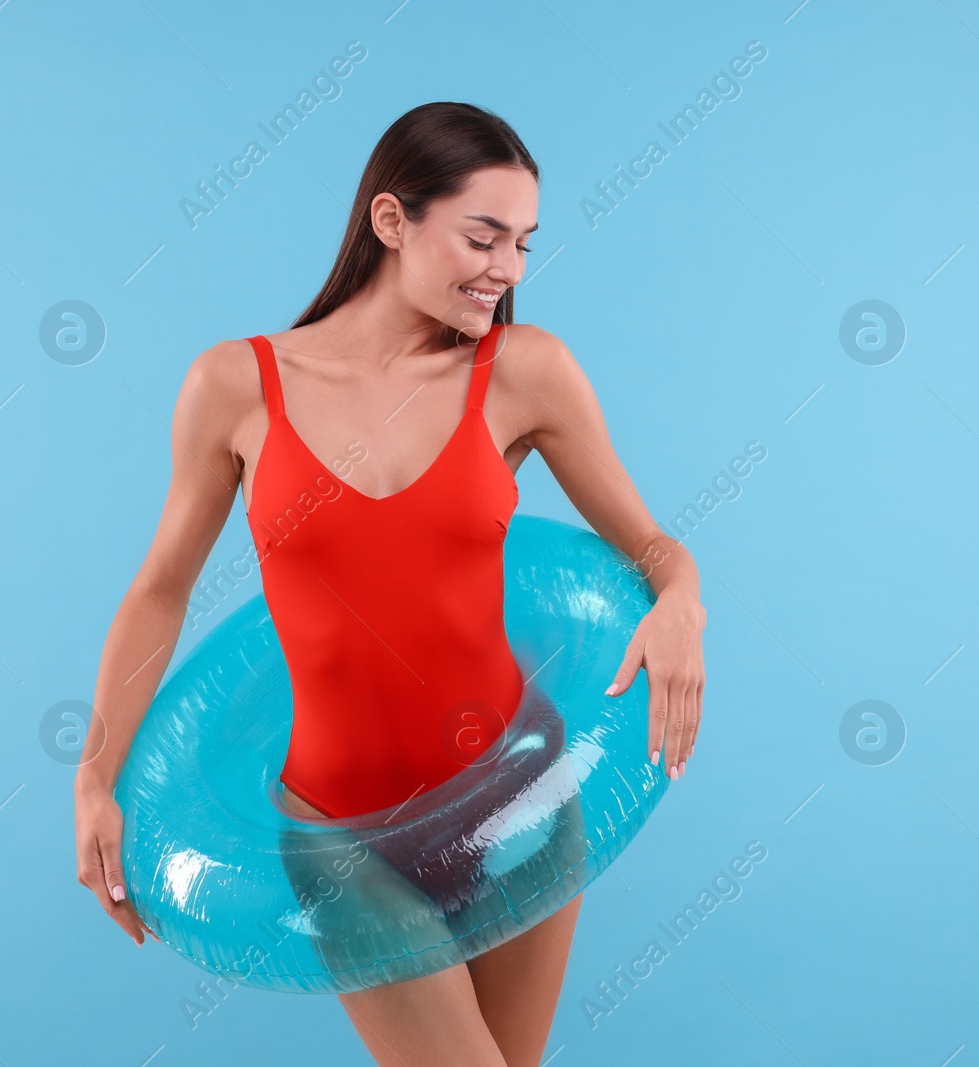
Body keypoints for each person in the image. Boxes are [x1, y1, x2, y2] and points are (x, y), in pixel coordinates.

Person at [73, 101, 706, 1067]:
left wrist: (682, 604)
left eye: (525, 243)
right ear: (391, 221)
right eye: (483, 236)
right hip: (340, 837)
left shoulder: (523, 373)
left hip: (518, 789)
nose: (509, 270)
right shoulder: (235, 387)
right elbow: (160, 588)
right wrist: (94, 776)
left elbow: (655, 547)